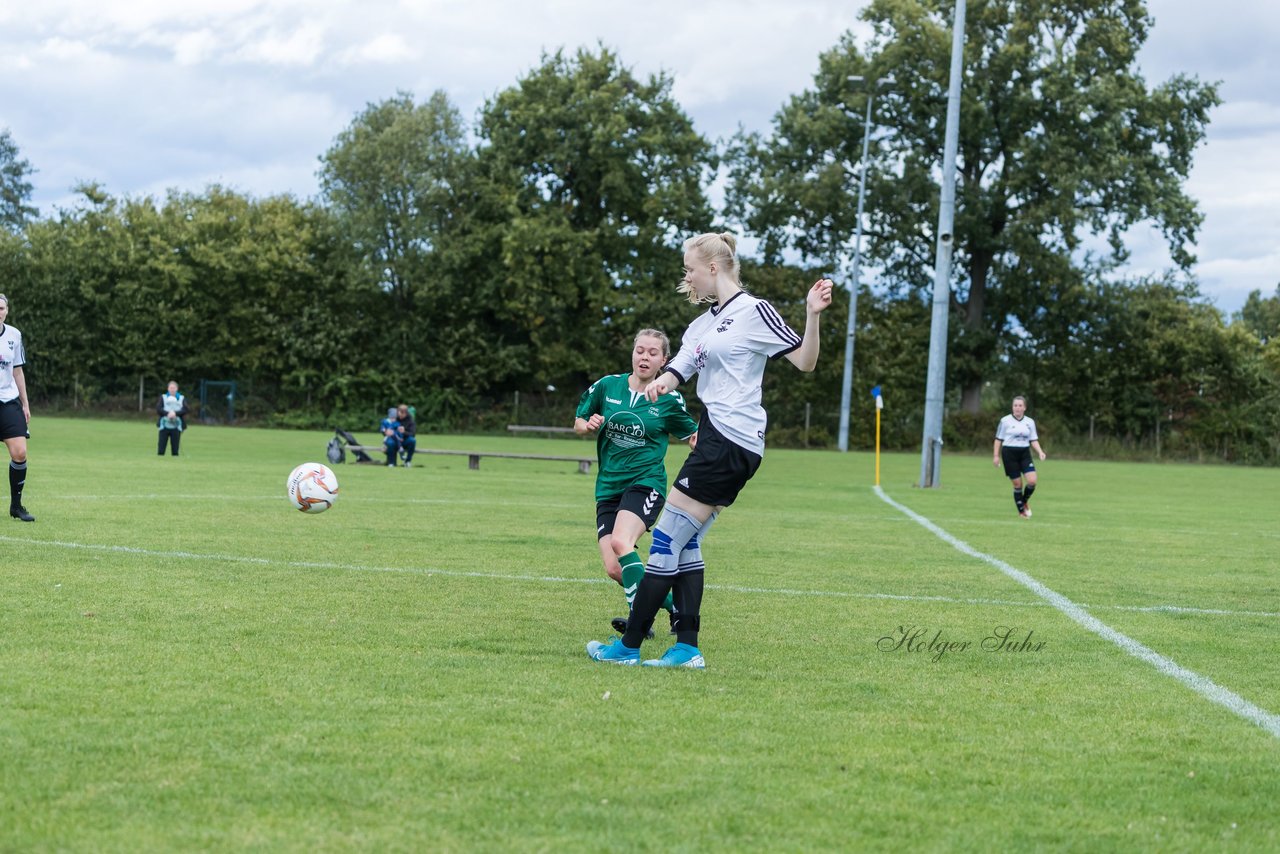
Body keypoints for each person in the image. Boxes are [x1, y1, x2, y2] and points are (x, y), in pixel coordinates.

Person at [586, 232, 833, 668]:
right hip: (716, 437)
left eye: (690, 269)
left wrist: (812, 316)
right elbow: (680, 367)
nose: (688, 278)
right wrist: (662, 383)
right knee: (686, 543)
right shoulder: (700, 326)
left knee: (664, 540)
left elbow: (806, 362)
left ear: (713, 268)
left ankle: (628, 647)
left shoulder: (754, 311)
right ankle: (686, 647)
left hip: (731, 440)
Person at [574, 329, 698, 640]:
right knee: (615, 568)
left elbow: (692, 436)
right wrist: (586, 426)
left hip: (646, 483)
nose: (644, 357)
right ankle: (674, 607)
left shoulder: (669, 399)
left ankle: (637, 625)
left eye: (652, 353)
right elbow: (578, 421)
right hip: (608, 488)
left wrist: (716, 451)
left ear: (664, 361)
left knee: (621, 542)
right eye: (640, 350)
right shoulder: (607, 386)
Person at [0, 294, 35, 522]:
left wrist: (25, 403)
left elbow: (18, 371)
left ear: (7, 310)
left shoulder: (14, 334)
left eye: (1, 308)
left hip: (8, 400)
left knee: (20, 452)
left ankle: (16, 506)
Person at [993, 395, 1047, 518]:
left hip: (1024, 453)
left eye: (1020, 405)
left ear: (1024, 408)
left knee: (1032, 481)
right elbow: (998, 439)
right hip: (1009, 453)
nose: (1017, 408)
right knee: (1017, 484)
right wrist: (996, 456)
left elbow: (1033, 439)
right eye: (1015, 405)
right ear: (1012, 407)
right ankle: (1021, 512)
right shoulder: (1005, 421)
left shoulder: (1030, 422)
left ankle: (1024, 501)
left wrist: (1040, 452)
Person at [156, 380, 190, 456]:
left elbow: (186, 409)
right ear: (168, 389)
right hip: (164, 425)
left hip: (176, 426)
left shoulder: (181, 398)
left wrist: (175, 413)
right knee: (161, 448)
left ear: (177, 389)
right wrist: (167, 413)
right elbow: (158, 409)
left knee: (175, 449)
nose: (172, 389)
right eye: (171, 388)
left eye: (174, 388)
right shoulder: (163, 397)